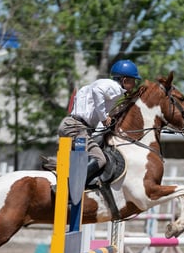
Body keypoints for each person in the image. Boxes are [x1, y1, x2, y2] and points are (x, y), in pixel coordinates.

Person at [58, 59, 141, 187]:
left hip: (73, 125)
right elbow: (98, 92)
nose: (134, 84)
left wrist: (106, 119)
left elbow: (90, 102)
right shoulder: (115, 88)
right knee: (100, 159)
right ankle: (67, 186)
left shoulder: (102, 85)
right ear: (124, 80)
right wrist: (103, 117)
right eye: (133, 80)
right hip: (76, 128)